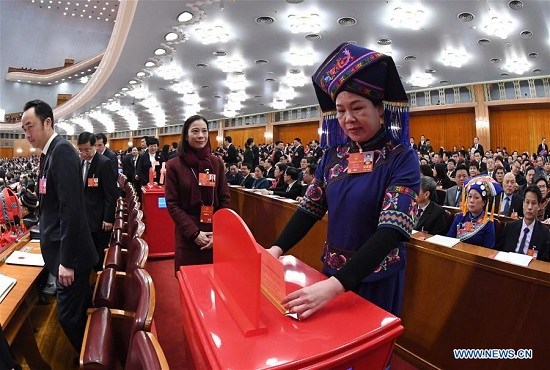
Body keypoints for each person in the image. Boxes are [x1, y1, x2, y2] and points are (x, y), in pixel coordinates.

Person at [266, 43, 420, 320]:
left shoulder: (402, 157)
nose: (348, 119)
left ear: (380, 109)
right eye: (340, 111)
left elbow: (391, 231)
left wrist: (335, 286)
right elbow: (308, 209)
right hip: (333, 273)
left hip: (376, 277)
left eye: (358, 108)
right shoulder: (333, 156)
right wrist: (275, 249)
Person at [21, 99, 97, 352]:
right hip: (63, 252)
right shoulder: (49, 154)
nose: (27, 134)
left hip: (71, 259)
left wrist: (67, 261)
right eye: (24, 130)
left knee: (68, 318)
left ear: (48, 122)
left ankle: (96, 360)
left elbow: (71, 211)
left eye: (30, 126)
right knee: (76, 314)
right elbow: (51, 203)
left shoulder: (62, 151)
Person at [165, 115, 231, 271]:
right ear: (186, 135)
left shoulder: (216, 162)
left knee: (214, 283)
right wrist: (194, 233)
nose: (200, 136)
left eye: (204, 131)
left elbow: (224, 199)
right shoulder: (174, 165)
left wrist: (218, 232)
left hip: (214, 233)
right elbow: (172, 204)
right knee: (189, 283)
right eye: (195, 131)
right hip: (188, 233)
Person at [77, 132, 117, 271]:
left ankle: (98, 281)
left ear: (95, 146)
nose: (83, 153)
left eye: (87, 149)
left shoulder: (104, 163)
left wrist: (108, 218)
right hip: (84, 216)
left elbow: (111, 194)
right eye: (80, 150)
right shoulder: (81, 161)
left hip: (99, 217)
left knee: (97, 252)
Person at [497, 185, 550, 261]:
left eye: (534, 203)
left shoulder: (544, 233)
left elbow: (544, 261)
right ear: (523, 204)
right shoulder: (510, 227)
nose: (529, 207)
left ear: (539, 206)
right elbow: (499, 251)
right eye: (527, 202)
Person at [447, 177, 502, 248]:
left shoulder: (488, 223)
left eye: (476, 197)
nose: (471, 200)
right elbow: (449, 239)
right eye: (469, 197)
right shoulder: (459, 217)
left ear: (483, 202)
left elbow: (488, 249)